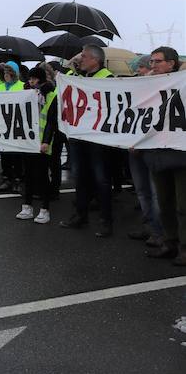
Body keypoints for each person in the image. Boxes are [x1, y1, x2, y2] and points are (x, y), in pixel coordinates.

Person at [60, 44, 116, 237]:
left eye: (84, 56)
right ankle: (80, 215)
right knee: (80, 177)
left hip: (98, 140)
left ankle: (105, 221)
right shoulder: (78, 78)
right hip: (78, 137)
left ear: (95, 60)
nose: (80, 59)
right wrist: (73, 69)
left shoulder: (108, 78)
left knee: (101, 180)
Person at [142, 46, 186, 266]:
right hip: (157, 152)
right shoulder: (146, 85)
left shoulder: (183, 82)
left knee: (183, 205)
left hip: (180, 153)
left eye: (157, 61)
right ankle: (170, 242)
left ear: (171, 63)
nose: (153, 66)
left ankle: (185, 248)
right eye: (151, 62)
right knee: (165, 202)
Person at [15, 66, 57, 224]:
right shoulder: (29, 94)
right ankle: (27, 206)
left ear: (40, 78)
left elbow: (51, 121)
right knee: (28, 175)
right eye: (30, 78)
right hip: (29, 141)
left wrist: (46, 141)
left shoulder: (51, 95)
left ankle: (45, 209)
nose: (30, 81)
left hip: (43, 142)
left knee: (42, 177)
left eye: (33, 78)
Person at [0, 62, 25, 193]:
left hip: (17, 126)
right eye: (5, 73)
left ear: (14, 73)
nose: (6, 75)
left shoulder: (22, 86)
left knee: (17, 155)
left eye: (9, 73)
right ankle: (7, 179)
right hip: (3, 126)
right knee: (5, 154)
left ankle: (18, 180)